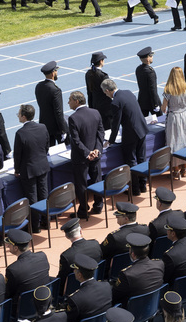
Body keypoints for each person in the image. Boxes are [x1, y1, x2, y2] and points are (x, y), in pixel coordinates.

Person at [104, 79, 148, 192]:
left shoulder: (115, 102)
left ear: (108, 90)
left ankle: (135, 188)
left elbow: (115, 124)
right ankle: (143, 185)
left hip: (131, 134)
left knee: (131, 161)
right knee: (142, 158)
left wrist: (110, 140)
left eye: (105, 92)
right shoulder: (128, 92)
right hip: (142, 129)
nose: (105, 95)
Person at [66, 90, 104, 220]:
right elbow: (101, 134)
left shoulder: (73, 118)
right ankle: (98, 205)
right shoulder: (95, 112)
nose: (68, 102)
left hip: (81, 158)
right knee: (97, 180)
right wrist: (96, 150)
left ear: (76, 101)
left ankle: (83, 210)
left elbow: (75, 141)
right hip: (95, 155)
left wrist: (87, 153)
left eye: (70, 100)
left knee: (81, 184)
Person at [13, 104, 52, 232]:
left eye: (19, 114)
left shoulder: (20, 133)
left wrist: (17, 169)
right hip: (42, 166)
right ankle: (46, 221)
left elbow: (17, 155)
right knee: (44, 195)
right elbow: (47, 145)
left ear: (24, 116)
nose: (18, 116)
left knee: (32, 199)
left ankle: (35, 226)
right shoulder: (42, 127)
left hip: (28, 170)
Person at [160, 67, 186, 157]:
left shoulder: (168, 89)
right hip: (184, 116)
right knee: (185, 139)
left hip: (173, 118)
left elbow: (163, 109)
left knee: (173, 142)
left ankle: (175, 168)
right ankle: (185, 165)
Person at [36, 60, 66, 146]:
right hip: (56, 127)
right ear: (53, 73)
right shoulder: (55, 90)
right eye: (56, 71)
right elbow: (58, 112)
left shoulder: (39, 86)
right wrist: (63, 130)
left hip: (45, 124)